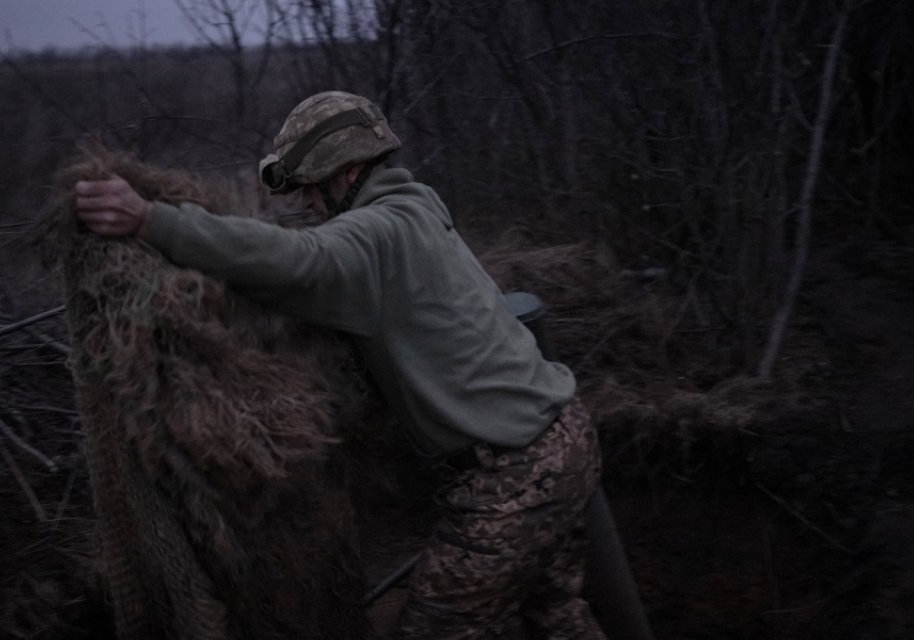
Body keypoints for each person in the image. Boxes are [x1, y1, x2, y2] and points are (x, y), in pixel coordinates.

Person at [75, 91, 606, 639]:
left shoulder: (377, 234)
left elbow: (301, 261)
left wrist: (152, 222)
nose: (306, 201)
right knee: (556, 614)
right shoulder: (420, 205)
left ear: (348, 172)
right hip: (566, 435)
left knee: (436, 627)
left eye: (310, 185)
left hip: (518, 473)